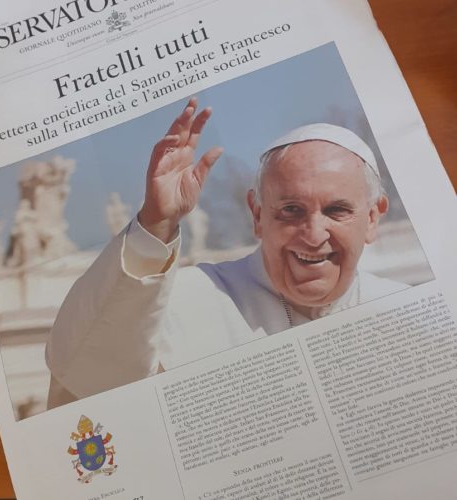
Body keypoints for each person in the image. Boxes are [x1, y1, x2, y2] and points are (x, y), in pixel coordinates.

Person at [45, 98, 408, 407]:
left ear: (372, 218)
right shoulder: (185, 301)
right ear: (257, 215)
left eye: (336, 210)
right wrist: (155, 225)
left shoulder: (405, 312)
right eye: (291, 210)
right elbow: (91, 376)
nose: (313, 236)